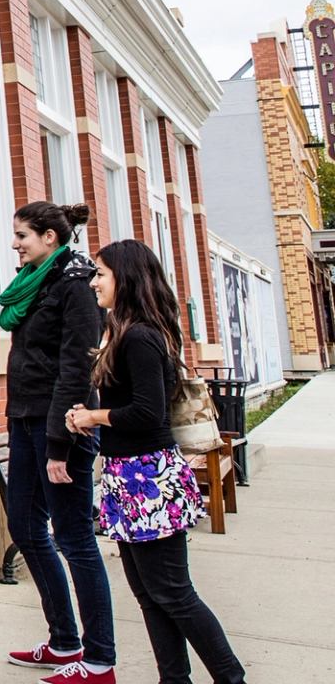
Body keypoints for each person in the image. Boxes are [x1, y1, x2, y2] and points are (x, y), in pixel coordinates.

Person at [67, 240, 246, 684]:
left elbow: (148, 412)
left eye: (101, 274)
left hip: (149, 478)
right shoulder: (126, 331)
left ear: (125, 278)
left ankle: (232, 678)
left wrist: (94, 415)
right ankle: (174, 679)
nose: (94, 282)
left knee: (173, 592)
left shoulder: (142, 336)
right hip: (129, 477)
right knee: (149, 594)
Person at [0, 201, 115, 684]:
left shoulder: (77, 286)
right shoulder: (37, 282)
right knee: (26, 529)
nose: (15, 243)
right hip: (25, 417)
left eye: (22, 235)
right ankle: (64, 640)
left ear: (49, 237)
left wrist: (58, 446)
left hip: (62, 426)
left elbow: (75, 369)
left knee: (74, 538)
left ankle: (99, 660)